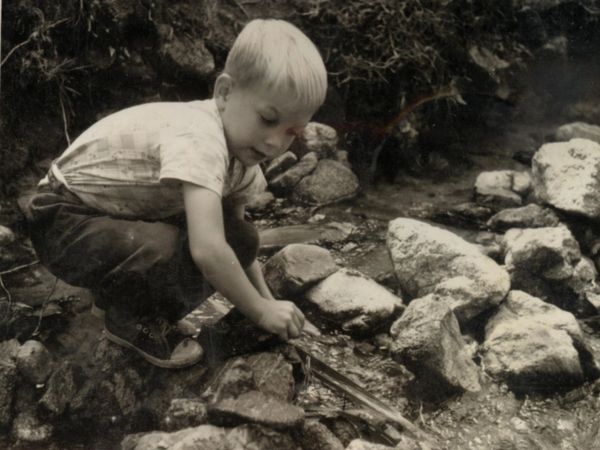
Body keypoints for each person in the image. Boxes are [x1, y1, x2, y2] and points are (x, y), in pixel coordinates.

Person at [26, 19, 327, 369]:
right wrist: (260, 312)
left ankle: (121, 300)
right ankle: (128, 320)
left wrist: (271, 304)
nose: (275, 142)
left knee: (243, 238)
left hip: (109, 218)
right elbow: (208, 250)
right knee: (166, 246)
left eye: (291, 132)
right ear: (225, 93)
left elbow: (234, 249)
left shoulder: (244, 159)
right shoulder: (200, 137)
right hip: (60, 218)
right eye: (266, 118)